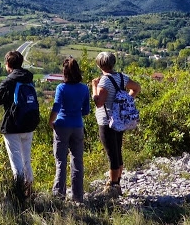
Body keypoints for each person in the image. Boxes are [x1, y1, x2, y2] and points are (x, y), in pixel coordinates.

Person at [91, 52, 141, 197]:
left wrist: (94, 86)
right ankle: (117, 181)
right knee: (117, 150)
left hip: (107, 121)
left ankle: (113, 186)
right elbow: (136, 88)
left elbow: (99, 102)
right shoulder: (121, 77)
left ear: (99, 65)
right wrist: (125, 100)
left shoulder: (104, 81)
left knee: (111, 153)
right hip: (119, 119)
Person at [0, 50, 36, 190]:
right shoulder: (29, 78)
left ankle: (19, 194)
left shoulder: (9, 80)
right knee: (26, 160)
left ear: (8, 64)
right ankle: (29, 191)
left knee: (16, 163)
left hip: (12, 125)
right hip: (29, 123)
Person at [47, 57, 90, 203]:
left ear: (64, 72)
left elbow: (56, 106)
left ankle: (59, 195)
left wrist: (50, 121)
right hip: (77, 126)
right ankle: (78, 196)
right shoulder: (84, 88)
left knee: (61, 161)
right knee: (77, 161)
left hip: (62, 126)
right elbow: (86, 111)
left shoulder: (61, 88)